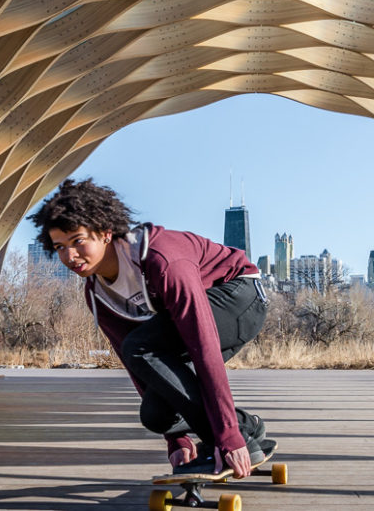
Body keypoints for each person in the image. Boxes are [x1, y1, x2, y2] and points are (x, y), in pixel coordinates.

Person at [29, 178, 270, 478]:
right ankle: (248, 426)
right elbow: (137, 367)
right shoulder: (98, 295)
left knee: (141, 345)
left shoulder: (159, 258)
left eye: (78, 241)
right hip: (186, 326)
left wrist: (227, 436)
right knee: (157, 415)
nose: (70, 256)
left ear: (105, 233)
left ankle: (232, 437)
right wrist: (175, 439)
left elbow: (203, 347)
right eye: (60, 247)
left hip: (240, 297)